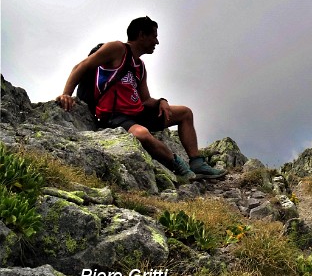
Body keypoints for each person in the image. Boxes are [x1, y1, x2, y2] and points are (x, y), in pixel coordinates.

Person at [55, 16, 224, 181]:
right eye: (154, 36)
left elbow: (145, 99)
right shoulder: (117, 49)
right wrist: (66, 94)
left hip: (137, 112)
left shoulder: (140, 66)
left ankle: (197, 163)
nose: (156, 42)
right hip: (114, 115)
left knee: (185, 113)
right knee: (142, 134)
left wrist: (161, 102)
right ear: (142, 35)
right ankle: (176, 163)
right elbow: (82, 66)